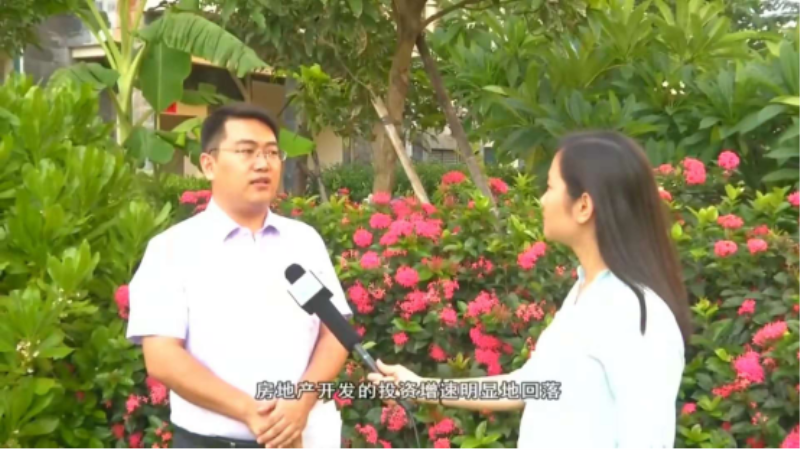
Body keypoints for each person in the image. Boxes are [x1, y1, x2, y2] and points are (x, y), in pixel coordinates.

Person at [368, 130, 693, 448]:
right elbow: (528, 384)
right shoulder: (585, 292)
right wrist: (422, 388)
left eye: (550, 187)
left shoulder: (636, 315)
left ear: (583, 206)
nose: (542, 200)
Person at [126, 103, 352, 448]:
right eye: (247, 151)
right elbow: (162, 357)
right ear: (209, 164)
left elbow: (334, 332)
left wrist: (301, 402)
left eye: (272, 153)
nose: (262, 164)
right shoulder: (172, 249)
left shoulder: (304, 241)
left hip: (306, 438)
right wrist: (249, 411)